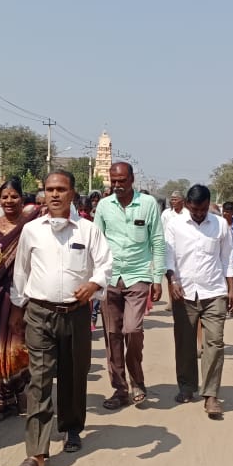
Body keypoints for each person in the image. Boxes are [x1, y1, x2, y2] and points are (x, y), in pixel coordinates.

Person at [8, 170, 112, 466]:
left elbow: (106, 263)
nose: (55, 195)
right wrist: (18, 308)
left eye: (61, 189)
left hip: (76, 314)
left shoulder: (88, 230)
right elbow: (21, 271)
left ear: (72, 193)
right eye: (50, 189)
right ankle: (36, 454)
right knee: (39, 381)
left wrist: (94, 285)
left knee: (73, 373)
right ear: (43, 193)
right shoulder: (32, 231)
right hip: (39, 313)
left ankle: (71, 427)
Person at [93, 162, 164, 409]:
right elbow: (96, 242)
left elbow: (157, 241)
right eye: (113, 181)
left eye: (121, 181)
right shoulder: (103, 206)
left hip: (138, 276)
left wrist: (158, 278)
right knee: (112, 336)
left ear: (132, 179)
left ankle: (137, 381)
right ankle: (120, 390)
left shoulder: (148, 204)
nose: (117, 186)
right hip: (110, 278)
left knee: (132, 330)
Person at [164, 184, 233, 419]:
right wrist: (172, 281)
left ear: (209, 204)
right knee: (184, 343)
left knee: (215, 343)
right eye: (195, 209)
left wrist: (231, 290)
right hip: (183, 293)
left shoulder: (220, 225)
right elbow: (168, 258)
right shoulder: (174, 225)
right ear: (187, 204)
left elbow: (228, 259)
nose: (199, 214)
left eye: (203, 209)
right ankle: (187, 387)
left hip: (214, 292)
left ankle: (211, 394)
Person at [0, 178, 34, 422]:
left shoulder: (31, 225)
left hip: (20, 294)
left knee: (17, 347)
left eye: (14, 196)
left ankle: (19, 395)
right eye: (5, 197)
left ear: (22, 198)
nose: (9, 201)